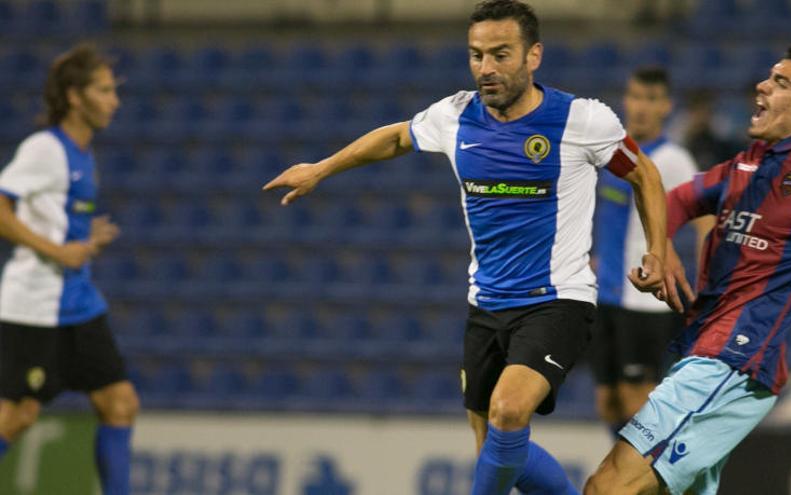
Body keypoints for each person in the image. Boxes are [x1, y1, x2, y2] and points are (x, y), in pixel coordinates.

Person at [264, 1, 668, 493]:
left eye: (500, 54)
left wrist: (658, 252)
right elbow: (395, 139)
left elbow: (644, 174)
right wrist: (320, 169)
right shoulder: (454, 116)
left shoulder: (581, 120)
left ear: (533, 55)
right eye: (476, 55)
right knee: (497, 452)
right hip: (486, 306)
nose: (486, 69)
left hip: (556, 300)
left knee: (507, 410)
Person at [584, 44, 791, 495]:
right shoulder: (747, 162)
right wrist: (661, 245)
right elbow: (675, 201)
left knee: (608, 486)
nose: (763, 85)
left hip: (735, 358)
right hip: (703, 347)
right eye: (768, 76)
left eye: (782, 83)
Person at [0, 44, 137, 495]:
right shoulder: (45, 148)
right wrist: (57, 251)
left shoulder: (83, 154)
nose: (114, 100)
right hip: (36, 305)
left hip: (78, 302)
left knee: (119, 403)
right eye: (103, 90)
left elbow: (57, 217)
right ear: (75, 97)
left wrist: (83, 238)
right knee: (17, 416)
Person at [591, 67, 713, 436]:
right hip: (605, 294)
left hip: (646, 302)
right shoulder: (614, 153)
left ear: (666, 106)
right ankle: (626, 480)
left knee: (636, 401)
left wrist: (706, 285)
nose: (641, 107)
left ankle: (646, 485)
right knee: (608, 401)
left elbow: (706, 225)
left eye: (651, 99)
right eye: (635, 96)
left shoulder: (673, 160)